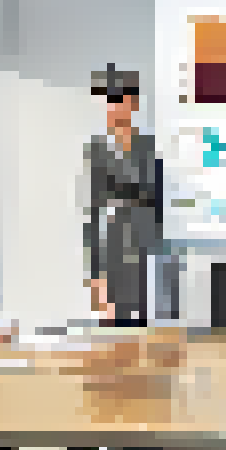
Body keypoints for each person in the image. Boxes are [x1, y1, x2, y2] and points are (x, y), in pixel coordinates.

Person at [83, 65, 167, 326]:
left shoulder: (149, 148)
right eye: (108, 101)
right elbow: (93, 213)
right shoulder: (98, 150)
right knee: (113, 334)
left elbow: (158, 202)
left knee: (147, 337)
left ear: (132, 103)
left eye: (118, 99)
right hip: (113, 253)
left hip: (146, 254)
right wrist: (96, 275)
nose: (112, 107)